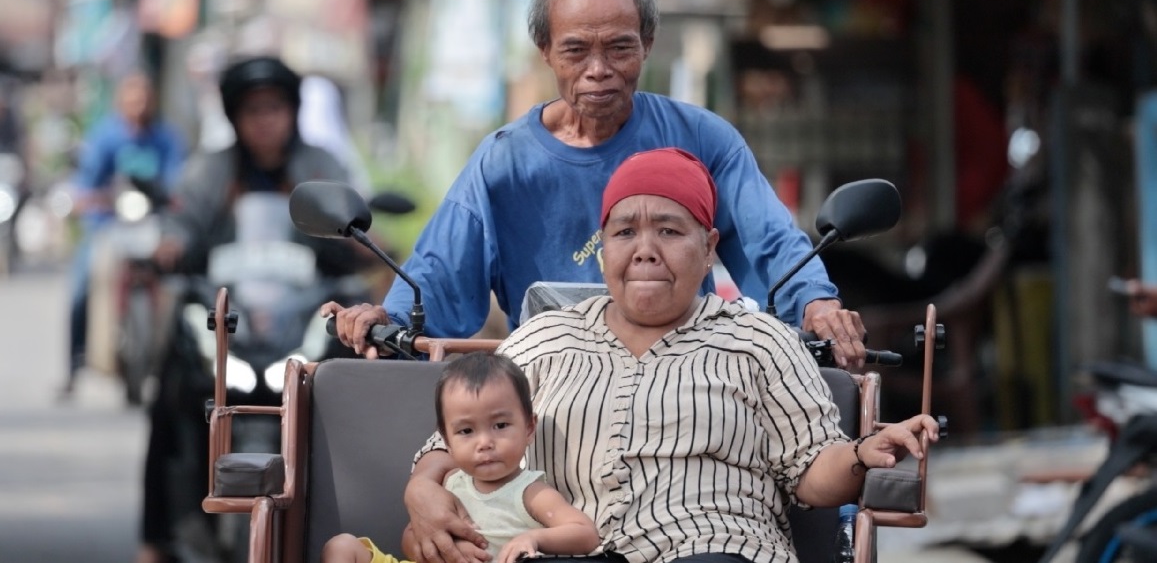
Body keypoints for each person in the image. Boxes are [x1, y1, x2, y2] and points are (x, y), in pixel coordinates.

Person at [327, 0, 868, 370]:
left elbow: (771, 244)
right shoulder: (503, 164)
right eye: (576, 50)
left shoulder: (702, 138)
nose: (599, 69)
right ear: (545, 51)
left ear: (648, 44)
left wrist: (814, 304)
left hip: (687, 379)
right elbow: (438, 274)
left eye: (619, 47)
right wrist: (390, 318)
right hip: (549, 394)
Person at [392, 148, 940, 563]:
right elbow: (451, 442)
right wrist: (422, 488)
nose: (645, 248)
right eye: (625, 231)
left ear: (708, 248)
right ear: (603, 248)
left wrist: (864, 452)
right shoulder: (542, 340)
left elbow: (812, 473)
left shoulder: (758, 340)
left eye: (669, 230)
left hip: (717, 545)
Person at [137, 55, 364, 563]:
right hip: (227, 324)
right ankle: (155, 538)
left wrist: (362, 243)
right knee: (170, 399)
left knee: (355, 391)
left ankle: (358, 522)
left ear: (293, 111)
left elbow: (352, 220)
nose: (265, 119)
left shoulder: (320, 165)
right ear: (235, 116)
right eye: (253, 109)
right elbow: (182, 220)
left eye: (275, 107)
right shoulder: (210, 168)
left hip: (300, 320)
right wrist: (170, 245)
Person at [323, 351, 600, 563]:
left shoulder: (529, 491)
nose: (485, 443)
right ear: (447, 441)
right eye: (466, 431)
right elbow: (410, 537)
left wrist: (533, 538)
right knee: (341, 547)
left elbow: (585, 533)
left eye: (500, 426)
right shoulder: (450, 482)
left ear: (529, 428)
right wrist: (438, 549)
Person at [64, 71, 185, 396]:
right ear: (121, 103)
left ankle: (178, 364)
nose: (138, 105)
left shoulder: (166, 138)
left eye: (144, 99)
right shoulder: (106, 137)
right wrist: (89, 200)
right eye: (132, 99)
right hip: (110, 223)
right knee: (80, 288)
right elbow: (87, 183)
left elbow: (179, 181)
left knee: (182, 284)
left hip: (151, 224)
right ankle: (74, 366)